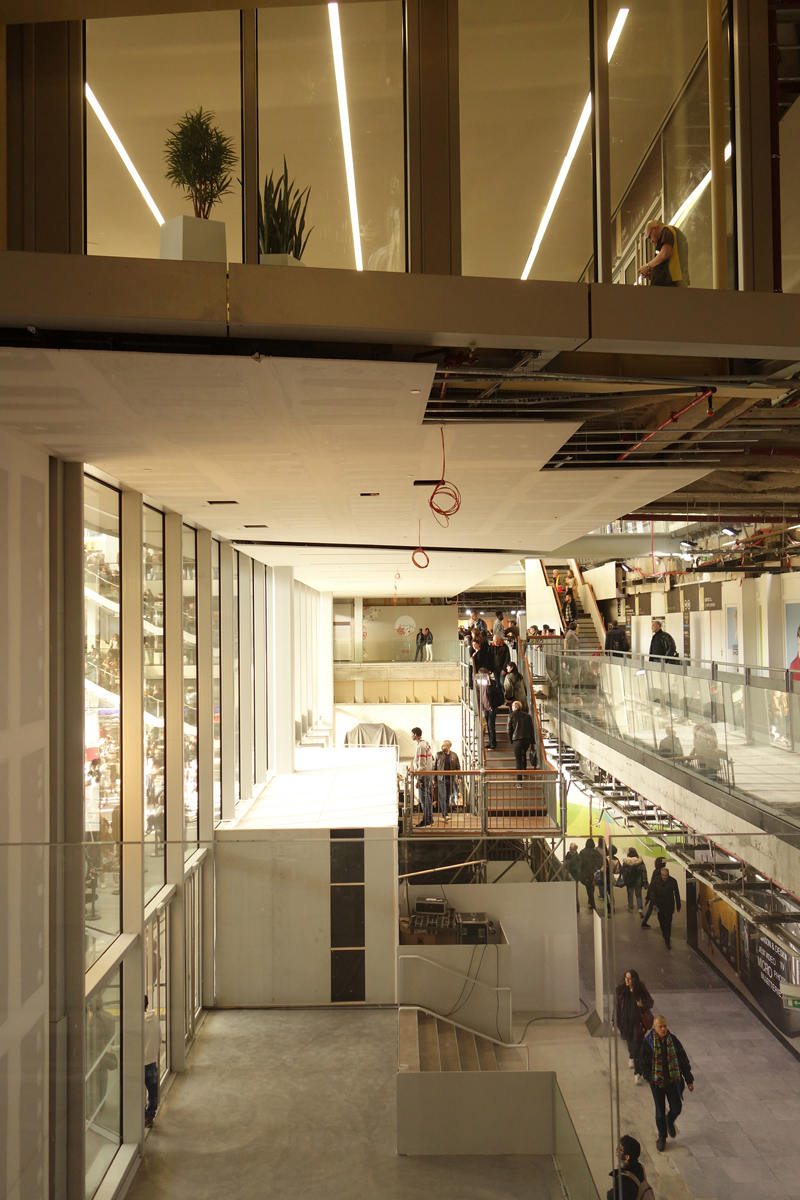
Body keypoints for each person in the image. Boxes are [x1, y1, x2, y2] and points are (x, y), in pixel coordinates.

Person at [639, 1014, 694, 1151]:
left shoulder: (673, 1041)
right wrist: (650, 1078)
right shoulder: (648, 1043)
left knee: (676, 1107)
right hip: (657, 1084)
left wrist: (689, 1079)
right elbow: (643, 1062)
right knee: (659, 1112)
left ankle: (670, 1121)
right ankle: (662, 1138)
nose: (663, 1029)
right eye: (660, 1027)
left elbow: (683, 1060)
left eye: (665, 1026)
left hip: (672, 1082)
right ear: (655, 1027)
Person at [615, 970, 654, 1084]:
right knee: (630, 1045)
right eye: (626, 978)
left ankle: (638, 1072)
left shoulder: (640, 991)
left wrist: (642, 1004)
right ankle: (632, 1057)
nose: (627, 981)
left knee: (637, 1048)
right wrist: (615, 1022)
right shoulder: (621, 991)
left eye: (630, 979)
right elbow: (617, 1007)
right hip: (626, 1024)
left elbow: (650, 1002)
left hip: (638, 1025)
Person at [638, 219, 683, 288]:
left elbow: (665, 254)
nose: (651, 241)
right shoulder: (663, 241)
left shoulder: (667, 230)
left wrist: (648, 266)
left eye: (650, 237)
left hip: (671, 283)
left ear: (654, 228)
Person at [607, 1136, 652, 1200]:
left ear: (627, 1157)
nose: (616, 1149)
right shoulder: (640, 1167)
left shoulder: (624, 1179)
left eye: (620, 1149)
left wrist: (610, 1194)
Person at [648, 864, 681, 949]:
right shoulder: (657, 880)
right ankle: (664, 934)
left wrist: (678, 905)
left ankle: (667, 940)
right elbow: (653, 892)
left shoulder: (673, 881)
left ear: (668, 874)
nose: (664, 877)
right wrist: (654, 903)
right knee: (661, 921)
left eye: (666, 875)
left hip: (669, 905)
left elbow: (676, 894)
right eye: (663, 875)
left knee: (668, 923)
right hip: (660, 904)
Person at [411, 727, 433, 827]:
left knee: (424, 799)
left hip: (423, 774)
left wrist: (419, 778)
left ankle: (426, 821)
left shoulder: (421, 746)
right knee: (427, 797)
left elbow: (422, 763)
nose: (411, 736)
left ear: (415, 734)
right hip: (427, 773)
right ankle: (429, 818)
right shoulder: (426, 743)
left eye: (412, 734)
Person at [507, 700, 534, 781]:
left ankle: (519, 781)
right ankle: (524, 772)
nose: (511, 707)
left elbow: (509, 730)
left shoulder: (511, 716)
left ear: (515, 707)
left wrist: (511, 740)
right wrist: (533, 742)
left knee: (518, 759)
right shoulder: (527, 716)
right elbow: (531, 729)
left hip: (517, 739)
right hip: (527, 739)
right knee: (523, 754)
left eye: (512, 706)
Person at [477, 667, 503, 750]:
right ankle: (490, 741)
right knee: (488, 726)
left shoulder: (492, 683)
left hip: (491, 707)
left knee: (491, 726)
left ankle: (493, 743)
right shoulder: (479, 685)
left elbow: (498, 695)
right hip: (485, 707)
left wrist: (495, 705)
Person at [434, 740, 460, 821]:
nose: (442, 747)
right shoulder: (438, 755)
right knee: (443, 796)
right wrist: (434, 779)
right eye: (442, 745)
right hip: (441, 779)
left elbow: (458, 767)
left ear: (448, 747)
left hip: (450, 779)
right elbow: (434, 767)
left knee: (448, 796)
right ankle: (445, 814)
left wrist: (459, 777)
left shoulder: (454, 755)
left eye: (443, 746)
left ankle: (445, 813)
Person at [144, 994, 160, 1128]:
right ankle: (150, 1116)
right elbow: (159, 1037)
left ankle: (143, 1115)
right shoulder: (154, 1019)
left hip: (140, 1062)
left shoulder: (138, 1023)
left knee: (135, 1091)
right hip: (152, 1060)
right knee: (152, 1090)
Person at [640, 856, 666, 928]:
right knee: (659, 910)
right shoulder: (661, 873)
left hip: (653, 894)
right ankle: (663, 924)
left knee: (650, 909)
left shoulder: (655, 871)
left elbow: (652, 884)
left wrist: (648, 896)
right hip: (657, 894)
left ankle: (644, 922)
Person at [579, 838, 602, 912]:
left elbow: (581, 863)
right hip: (595, 873)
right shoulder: (596, 852)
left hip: (586, 873)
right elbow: (600, 862)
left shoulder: (583, 852)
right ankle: (591, 902)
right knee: (592, 886)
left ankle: (592, 904)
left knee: (589, 888)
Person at [621, 847, 647, 914]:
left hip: (629, 879)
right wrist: (645, 879)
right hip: (638, 878)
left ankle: (630, 907)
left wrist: (624, 879)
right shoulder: (639, 861)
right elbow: (643, 870)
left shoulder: (626, 862)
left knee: (630, 893)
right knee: (638, 894)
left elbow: (624, 872)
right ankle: (640, 908)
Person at [564, 841, 581, 913]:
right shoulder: (568, 854)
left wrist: (569, 864)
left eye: (571, 849)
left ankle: (577, 907)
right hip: (568, 875)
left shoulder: (577, 857)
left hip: (574, 877)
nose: (570, 850)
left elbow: (576, 867)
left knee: (575, 893)